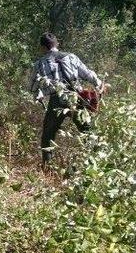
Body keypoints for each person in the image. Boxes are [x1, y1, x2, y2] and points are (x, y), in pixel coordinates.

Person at [29, 32, 105, 166]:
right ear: (56, 44)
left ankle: (47, 167)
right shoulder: (72, 57)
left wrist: (38, 95)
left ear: (43, 47)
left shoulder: (39, 64)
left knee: (48, 134)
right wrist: (99, 84)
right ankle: (97, 162)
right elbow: (87, 74)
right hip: (77, 97)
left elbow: (32, 86)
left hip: (57, 100)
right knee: (87, 131)